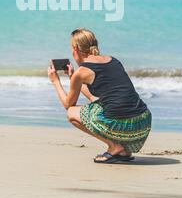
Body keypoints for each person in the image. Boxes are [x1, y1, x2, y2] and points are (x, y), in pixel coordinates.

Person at [48, 28, 152, 164]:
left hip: (125, 127)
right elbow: (94, 98)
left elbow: (68, 105)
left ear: (76, 49)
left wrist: (56, 82)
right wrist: (73, 77)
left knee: (72, 113)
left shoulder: (82, 71)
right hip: (142, 124)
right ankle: (124, 151)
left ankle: (115, 146)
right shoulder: (113, 60)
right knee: (99, 107)